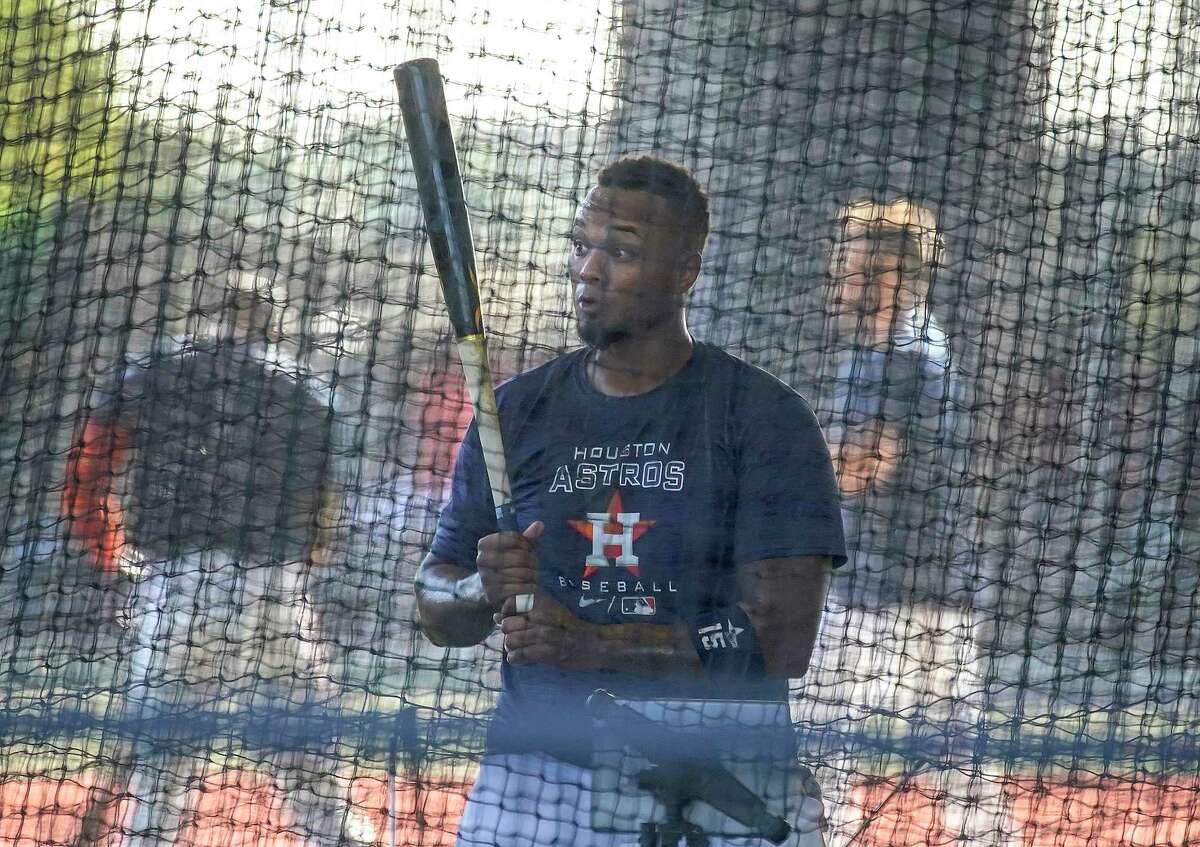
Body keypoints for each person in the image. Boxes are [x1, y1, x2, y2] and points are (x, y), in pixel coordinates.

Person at [414, 156, 846, 846]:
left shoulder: (761, 417)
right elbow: (436, 604)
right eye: (582, 245)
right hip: (535, 780)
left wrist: (593, 644)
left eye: (621, 250)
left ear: (686, 271)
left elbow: (781, 637)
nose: (589, 268)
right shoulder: (516, 412)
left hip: (715, 778)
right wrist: (477, 586)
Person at [62, 280, 374, 847]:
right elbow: (326, 512)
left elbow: (86, 474)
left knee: (160, 771)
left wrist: (110, 557)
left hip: (177, 587)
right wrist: (302, 570)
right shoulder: (307, 389)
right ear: (272, 322)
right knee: (306, 755)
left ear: (204, 314)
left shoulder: (150, 374)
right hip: (275, 587)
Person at [807, 199, 986, 841]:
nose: (841, 279)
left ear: (891, 276)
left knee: (829, 734)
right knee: (952, 753)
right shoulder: (891, 347)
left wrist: (770, 481)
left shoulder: (903, 354)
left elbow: (866, 463)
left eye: (854, 268)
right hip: (909, 578)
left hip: (902, 590)